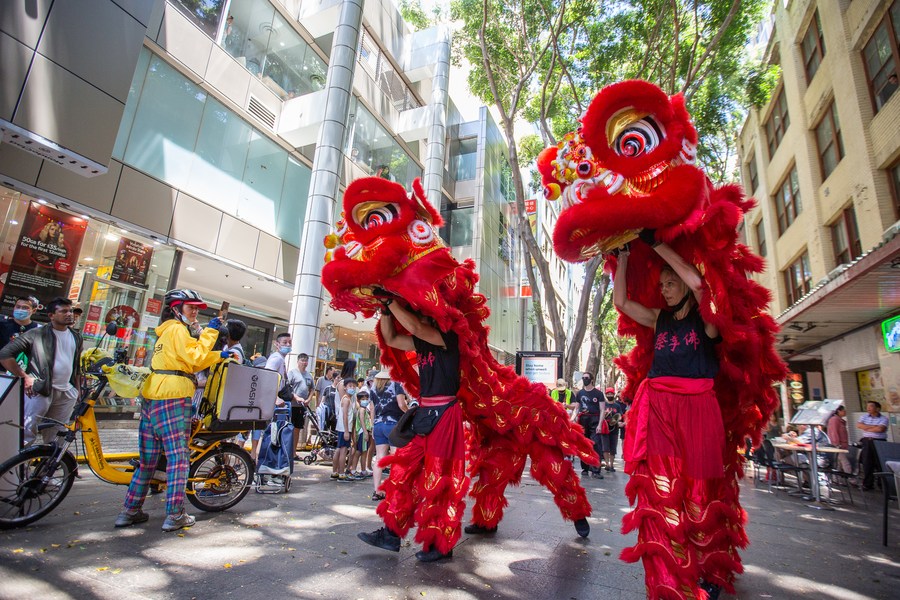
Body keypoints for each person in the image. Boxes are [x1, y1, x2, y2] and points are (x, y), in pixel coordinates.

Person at [614, 237, 727, 599]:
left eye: (669, 283)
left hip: (698, 412)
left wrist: (656, 242)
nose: (664, 290)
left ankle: (708, 571)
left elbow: (699, 284)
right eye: (661, 284)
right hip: (660, 410)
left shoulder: (707, 322)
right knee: (660, 491)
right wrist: (623, 258)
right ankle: (669, 569)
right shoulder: (659, 318)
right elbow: (620, 302)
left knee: (699, 495)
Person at [358, 296, 464, 563]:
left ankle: (440, 543)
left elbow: (415, 328)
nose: (417, 315)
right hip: (425, 414)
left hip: (444, 415)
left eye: (421, 312)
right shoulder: (422, 342)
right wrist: (384, 309)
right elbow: (392, 338)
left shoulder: (447, 337)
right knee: (402, 472)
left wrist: (391, 301)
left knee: (438, 479)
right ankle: (392, 533)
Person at [115, 289, 227, 532]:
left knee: (148, 461)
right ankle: (175, 514)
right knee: (178, 459)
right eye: (191, 308)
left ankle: (130, 511)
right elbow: (194, 355)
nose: (195, 312)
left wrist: (218, 355)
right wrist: (211, 331)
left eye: (197, 308)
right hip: (174, 395)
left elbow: (191, 362)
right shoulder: (177, 329)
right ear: (176, 309)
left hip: (153, 395)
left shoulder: (167, 332)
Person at [0, 297, 81, 445]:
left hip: (66, 393)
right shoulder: (37, 334)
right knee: (26, 433)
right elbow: (5, 355)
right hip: (40, 390)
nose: (69, 314)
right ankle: (18, 466)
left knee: (57, 436)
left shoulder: (76, 336)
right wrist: (25, 377)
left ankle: (48, 467)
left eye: (70, 311)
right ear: (51, 315)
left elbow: (76, 366)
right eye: (63, 311)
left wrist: (77, 391)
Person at [370, 370, 408, 500]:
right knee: (395, 458)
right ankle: (395, 490)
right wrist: (409, 413)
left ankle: (377, 491)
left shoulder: (374, 388)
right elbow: (401, 404)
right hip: (393, 424)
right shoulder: (397, 384)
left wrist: (372, 425)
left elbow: (372, 409)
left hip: (378, 425)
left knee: (380, 457)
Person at [258, 332, 292, 461]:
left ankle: (266, 466)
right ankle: (263, 466)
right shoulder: (276, 358)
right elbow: (266, 378)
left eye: (289, 342)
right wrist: (275, 398)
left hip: (274, 403)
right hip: (271, 404)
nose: (288, 345)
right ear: (277, 344)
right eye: (284, 342)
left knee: (272, 436)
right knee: (269, 436)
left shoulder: (280, 359)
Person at [573, 372, 604, 479]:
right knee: (583, 444)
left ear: (591, 379)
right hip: (583, 419)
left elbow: (602, 410)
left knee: (595, 444)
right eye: (583, 378)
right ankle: (585, 468)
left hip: (594, 419)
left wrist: (600, 424)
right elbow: (577, 408)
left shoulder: (598, 394)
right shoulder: (580, 393)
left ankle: (596, 469)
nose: (584, 379)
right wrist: (572, 419)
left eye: (586, 378)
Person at [286, 352, 314, 459]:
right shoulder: (292, 373)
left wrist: (309, 399)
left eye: (306, 361)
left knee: (297, 429)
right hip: (291, 406)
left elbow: (312, 389)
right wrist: (296, 398)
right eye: (302, 360)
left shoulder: (309, 375)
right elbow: (287, 389)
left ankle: (293, 453)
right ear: (298, 361)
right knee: (289, 430)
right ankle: (287, 452)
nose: (304, 363)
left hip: (301, 407)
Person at [857, 400, 889, 490]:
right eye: (867, 406)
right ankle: (867, 484)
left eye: (871, 406)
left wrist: (866, 427)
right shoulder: (864, 416)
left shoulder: (884, 418)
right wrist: (874, 427)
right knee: (867, 462)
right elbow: (859, 425)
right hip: (867, 441)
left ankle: (882, 484)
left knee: (880, 462)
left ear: (877, 408)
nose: (868, 408)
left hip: (879, 441)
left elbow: (880, 429)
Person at [334, 377, 356, 482]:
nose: (352, 388)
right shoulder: (346, 400)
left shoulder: (347, 399)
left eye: (354, 386)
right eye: (350, 386)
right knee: (343, 451)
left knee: (340, 450)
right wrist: (347, 430)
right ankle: (342, 473)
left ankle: (336, 472)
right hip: (344, 429)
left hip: (343, 428)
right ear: (345, 387)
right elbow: (345, 416)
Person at [599, 387, 625, 472]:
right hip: (605, 428)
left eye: (611, 393)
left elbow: (620, 415)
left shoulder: (617, 405)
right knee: (605, 447)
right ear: (606, 395)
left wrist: (618, 420)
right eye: (608, 394)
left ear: (613, 394)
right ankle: (607, 464)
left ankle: (611, 464)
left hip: (614, 428)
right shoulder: (604, 404)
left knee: (613, 447)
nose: (610, 395)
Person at [826, 405, 852, 475]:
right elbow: (834, 432)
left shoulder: (839, 420)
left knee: (839, 463)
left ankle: (837, 479)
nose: (845, 412)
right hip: (838, 445)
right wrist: (836, 444)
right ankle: (851, 479)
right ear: (838, 411)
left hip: (842, 445)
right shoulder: (834, 420)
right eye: (843, 410)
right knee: (845, 462)